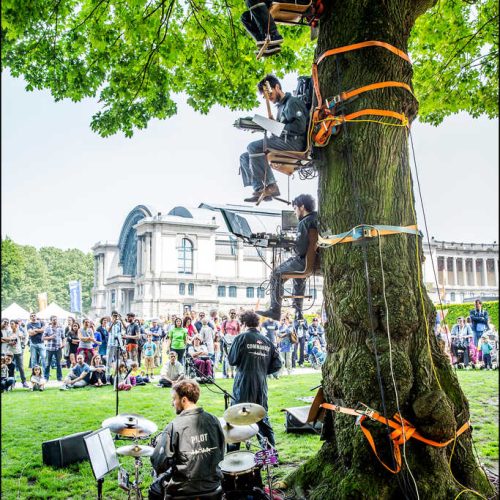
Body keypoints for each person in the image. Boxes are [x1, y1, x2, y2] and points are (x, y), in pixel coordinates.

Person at [149, 379, 225, 499]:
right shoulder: (214, 420)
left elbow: (158, 464)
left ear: (184, 400)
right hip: (213, 485)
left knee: (154, 488)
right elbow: (221, 453)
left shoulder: (174, 426)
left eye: (174, 399)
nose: (172, 403)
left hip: (183, 489)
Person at [240, 75, 308, 203]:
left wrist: (277, 127)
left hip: (293, 143)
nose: (269, 98)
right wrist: (266, 125)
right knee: (245, 156)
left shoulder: (292, 103)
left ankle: (271, 185)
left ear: (277, 87)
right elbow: (279, 129)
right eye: (265, 96)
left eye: (269, 94)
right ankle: (259, 188)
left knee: (253, 147)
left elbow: (300, 126)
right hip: (283, 141)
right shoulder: (281, 107)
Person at [257, 194, 318, 320]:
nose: (295, 213)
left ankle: (274, 310)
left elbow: (300, 250)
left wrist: (292, 247)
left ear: (302, 207)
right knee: (298, 277)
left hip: (303, 262)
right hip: (314, 261)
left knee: (275, 274)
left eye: (295, 208)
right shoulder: (317, 219)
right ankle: (298, 311)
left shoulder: (304, 222)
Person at [228, 311, 282, 449]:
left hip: (243, 384)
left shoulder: (241, 338)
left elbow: (232, 360)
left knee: (236, 418)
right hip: (261, 385)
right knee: (261, 418)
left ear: (244, 323)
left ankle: (234, 457)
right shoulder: (267, 341)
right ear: (257, 323)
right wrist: (262, 371)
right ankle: (271, 454)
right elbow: (277, 364)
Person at [42, 316, 66, 382]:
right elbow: (43, 338)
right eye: (53, 320)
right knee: (47, 364)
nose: (55, 321)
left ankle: (59, 378)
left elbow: (63, 337)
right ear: (51, 321)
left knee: (59, 363)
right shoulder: (47, 328)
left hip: (58, 348)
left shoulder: (60, 328)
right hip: (49, 348)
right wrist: (50, 337)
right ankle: (46, 377)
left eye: (56, 319)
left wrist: (63, 344)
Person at [7, 320, 29, 388]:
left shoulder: (19, 332)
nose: (11, 325)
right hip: (10, 353)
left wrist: (24, 344)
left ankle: (24, 382)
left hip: (18, 352)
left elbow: (25, 337)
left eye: (12, 324)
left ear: (16, 325)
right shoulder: (9, 332)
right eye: (10, 324)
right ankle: (12, 382)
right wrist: (9, 343)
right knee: (10, 368)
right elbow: (6, 341)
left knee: (21, 368)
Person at [106, 311, 126, 381]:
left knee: (118, 360)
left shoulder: (119, 323)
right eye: (114, 315)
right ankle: (107, 378)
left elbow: (125, 328)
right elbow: (108, 330)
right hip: (111, 344)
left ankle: (117, 376)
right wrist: (112, 323)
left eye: (116, 316)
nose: (115, 317)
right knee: (109, 360)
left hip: (117, 344)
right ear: (111, 316)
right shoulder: (109, 323)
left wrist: (121, 319)